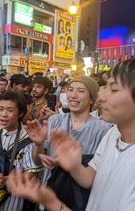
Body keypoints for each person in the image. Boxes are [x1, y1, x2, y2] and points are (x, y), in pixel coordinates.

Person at [7, 58, 135, 211]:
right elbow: (89, 178)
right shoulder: (113, 134)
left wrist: (51, 202)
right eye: (70, 89)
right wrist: (73, 165)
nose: (102, 98)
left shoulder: (103, 130)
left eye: (113, 89)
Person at [24, 75, 110, 210]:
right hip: (50, 195)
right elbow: (38, 162)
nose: (73, 95)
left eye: (81, 91)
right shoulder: (54, 121)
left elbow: (98, 174)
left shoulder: (103, 130)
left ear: (92, 98)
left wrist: (71, 163)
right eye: (70, 89)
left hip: (79, 202)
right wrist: (38, 144)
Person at [0, 91, 40, 211]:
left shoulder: (29, 138)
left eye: (10, 110)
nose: (3, 114)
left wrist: (6, 180)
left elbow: (31, 175)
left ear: (21, 113)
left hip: (12, 199)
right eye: (0, 109)